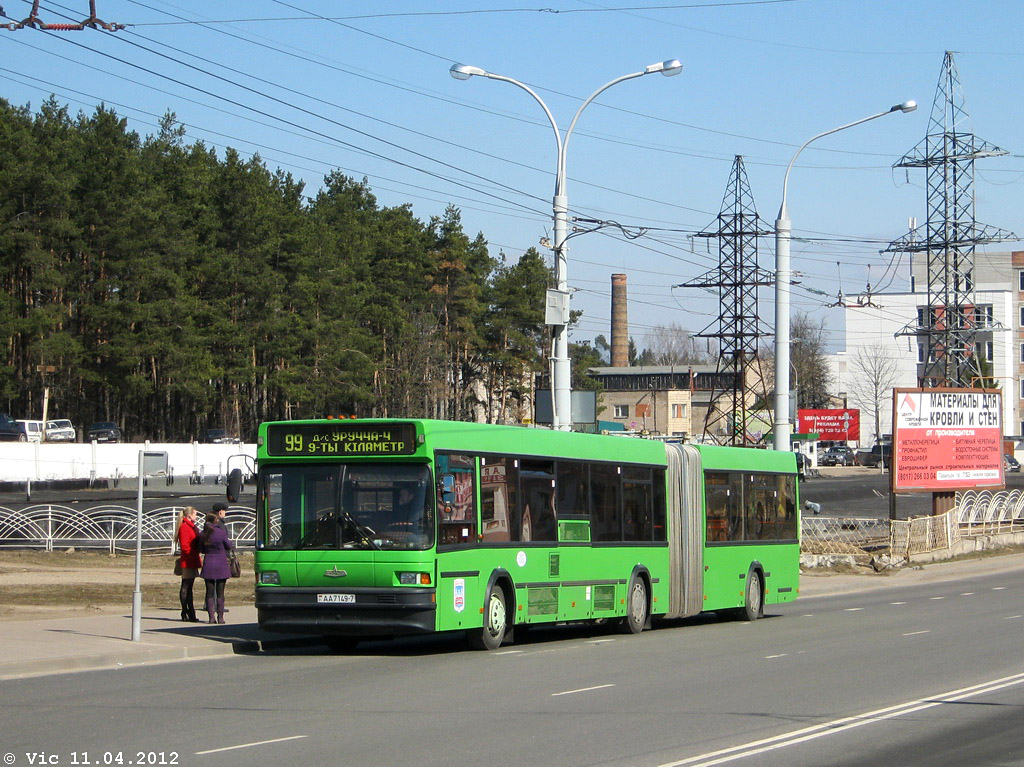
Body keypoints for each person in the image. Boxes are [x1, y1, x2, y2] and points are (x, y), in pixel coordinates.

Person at [199, 502, 235, 624]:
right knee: (220, 591)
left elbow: (201, 549)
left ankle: (211, 617)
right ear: (216, 520)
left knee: (209, 591)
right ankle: (220, 617)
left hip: (208, 562)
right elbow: (228, 545)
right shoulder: (221, 533)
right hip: (221, 563)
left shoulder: (203, 534)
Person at [174, 506, 202, 622]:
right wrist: (193, 554)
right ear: (189, 515)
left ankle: (189, 612)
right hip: (188, 560)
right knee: (186, 586)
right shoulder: (185, 527)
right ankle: (186, 611)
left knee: (189, 587)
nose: (196, 516)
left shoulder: (191, 527)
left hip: (192, 559)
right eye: (195, 514)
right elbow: (185, 546)